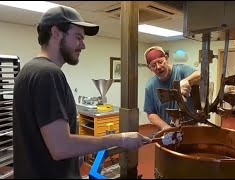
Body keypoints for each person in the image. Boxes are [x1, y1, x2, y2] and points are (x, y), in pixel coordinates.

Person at [13, 6, 151, 179]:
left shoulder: (29, 70)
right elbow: (61, 147)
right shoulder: (48, 74)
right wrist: (120, 138)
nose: (83, 45)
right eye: (78, 37)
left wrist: (75, 156)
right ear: (56, 33)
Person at [143, 46, 201, 131]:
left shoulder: (181, 70)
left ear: (166, 58)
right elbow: (150, 113)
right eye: (153, 65)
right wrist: (166, 128)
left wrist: (186, 81)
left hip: (191, 130)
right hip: (168, 134)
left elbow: (200, 75)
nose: (158, 67)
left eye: (160, 62)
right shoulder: (150, 86)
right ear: (149, 68)